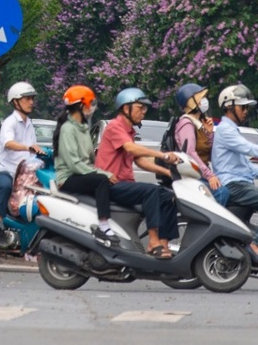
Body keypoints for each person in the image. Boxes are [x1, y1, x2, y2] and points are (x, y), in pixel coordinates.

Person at [93, 87, 183, 258]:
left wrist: (168, 173)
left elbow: (139, 160)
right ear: (126, 108)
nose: (143, 112)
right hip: (112, 184)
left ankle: (163, 244)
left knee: (168, 195)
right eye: (139, 108)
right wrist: (162, 155)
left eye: (145, 108)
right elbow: (131, 148)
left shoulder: (129, 131)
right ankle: (153, 242)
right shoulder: (115, 127)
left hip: (125, 184)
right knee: (152, 191)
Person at [210, 84, 258, 267]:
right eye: (242, 107)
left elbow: (247, 167)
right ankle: (257, 246)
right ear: (229, 107)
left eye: (247, 108)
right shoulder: (225, 130)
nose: (246, 111)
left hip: (242, 183)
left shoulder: (233, 130)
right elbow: (250, 149)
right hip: (233, 186)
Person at [50, 86, 117, 239]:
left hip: (80, 174)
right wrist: (103, 173)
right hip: (68, 178)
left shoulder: (83, 128)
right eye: (90, 103)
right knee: (101, 181)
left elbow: (89, 159)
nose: (92, 108)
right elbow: (74, 164)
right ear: (81, 105)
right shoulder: (68, 129)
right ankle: (104, 226)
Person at [0, 82, 40, 230]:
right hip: (6, 171)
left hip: (23, 174)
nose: (31, 102)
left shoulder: (29, 123)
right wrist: (27, 147)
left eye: (32, 99)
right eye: (27, 99)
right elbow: (8, 143)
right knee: (5, 185)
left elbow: (34, 149)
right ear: (15, 102)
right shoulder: (10, 122)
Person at [169, 83, 219, 191]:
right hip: (191, 175)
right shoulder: (186, 124)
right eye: (201, 98)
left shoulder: (198, 124)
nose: (205, 101)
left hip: (199, 173)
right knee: (221, 192)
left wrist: (209, 133)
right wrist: (209, 175)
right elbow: (190, 153)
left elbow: (209, 155)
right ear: (192, 103)